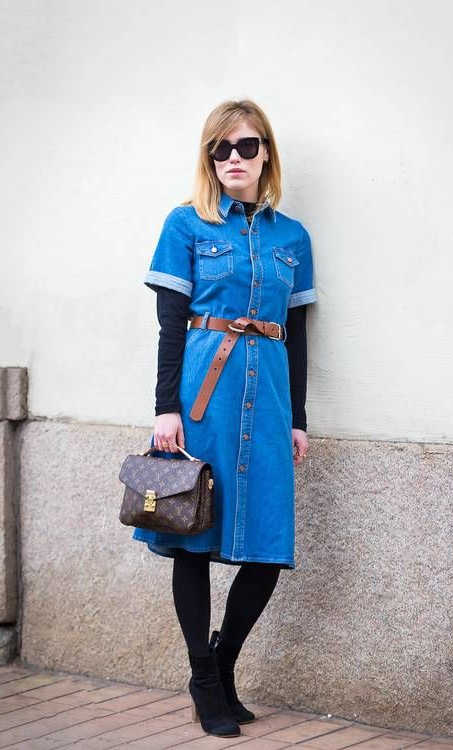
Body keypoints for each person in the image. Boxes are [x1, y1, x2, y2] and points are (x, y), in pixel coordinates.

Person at [132, 99, 318, 737]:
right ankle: (203, 679)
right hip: (203, 397)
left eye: (246, 146)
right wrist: (165, 408)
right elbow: (168, 327)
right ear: (209, 158)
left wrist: (296, 417)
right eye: (221, 149)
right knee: (194, 538)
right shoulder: (186, 225)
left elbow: (296, 332)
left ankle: (224, 662)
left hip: (265, 401)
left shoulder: (293, 238)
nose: (234, 159)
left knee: (266, 548)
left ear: (266, 152)